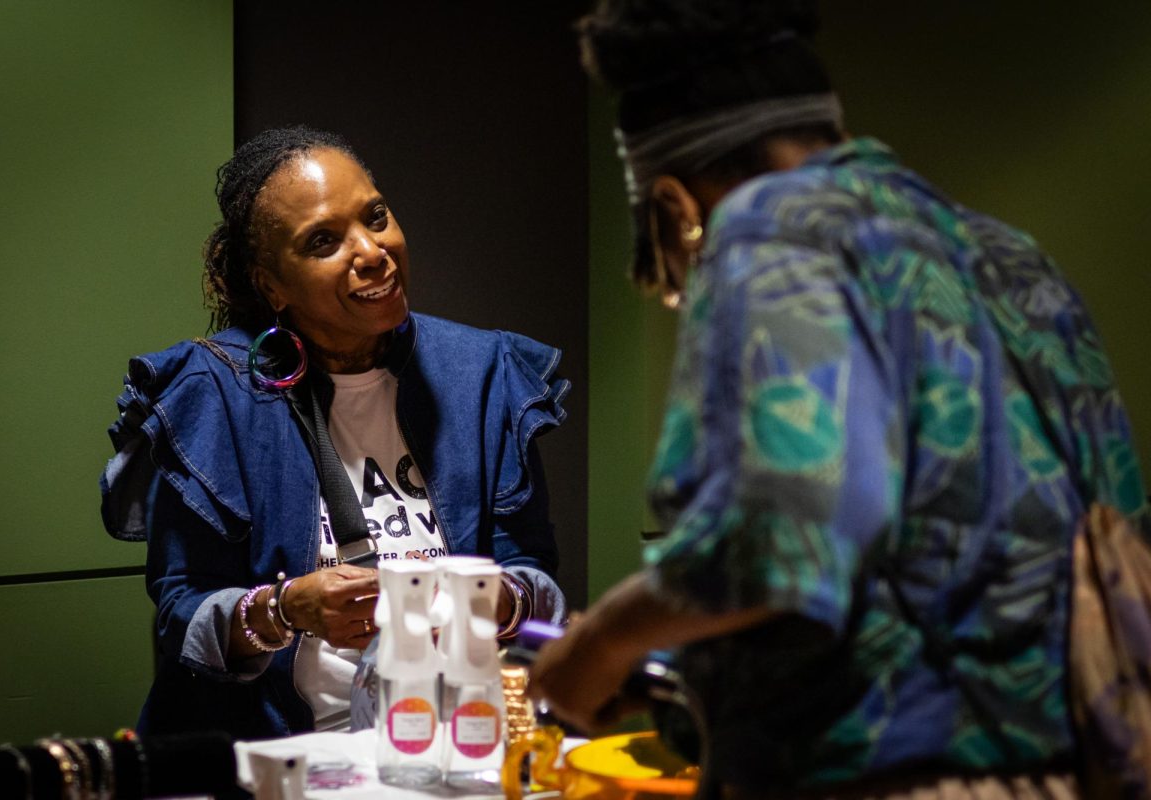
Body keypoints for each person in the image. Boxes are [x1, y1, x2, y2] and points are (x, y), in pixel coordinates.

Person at [529, 1, 1149, 798]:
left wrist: (600, 645)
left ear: (676, 212)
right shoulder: (1011, 258)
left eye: (677, 277)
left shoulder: (766, 225)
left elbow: (787, 534)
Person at [101, 126, 570, 738]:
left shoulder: (482, 372)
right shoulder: (207, 394)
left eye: (375, 216)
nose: (372, 251)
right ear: (271, 285)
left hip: (451, 749)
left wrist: (494, 601)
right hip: (279, 758)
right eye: (323, 241)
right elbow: (180, 618)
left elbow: (540, 592)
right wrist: (280, 610)